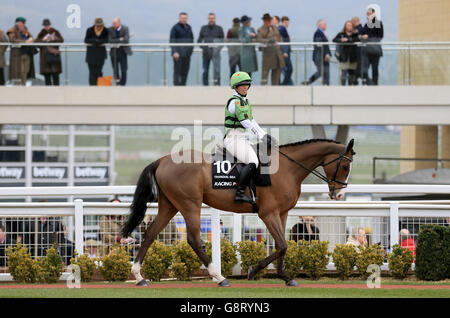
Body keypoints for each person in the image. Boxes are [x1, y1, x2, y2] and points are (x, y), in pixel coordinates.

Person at [223, 72, 271, 203]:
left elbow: (252, 121)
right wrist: (261, 136)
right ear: (235, 87)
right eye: (241, 85)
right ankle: (239, 193)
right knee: (253, 162)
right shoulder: (235, 102)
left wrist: (264, 134)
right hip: (233, 138)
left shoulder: (245, 102)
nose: (245, 87)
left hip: (242, 139)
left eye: (247, 85)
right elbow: (245, 122)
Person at [257, 13, 285, 85]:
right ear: (264, 21)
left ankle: (275, 90)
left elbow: (280, 37)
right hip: (268, 54)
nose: (268, 21)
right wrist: (269, 41)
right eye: (266, 20)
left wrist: (279, 45)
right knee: (265, 75)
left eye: (269, 20)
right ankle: (263, 90)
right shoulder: (261, 29)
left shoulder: (274, 28)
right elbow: (259, 39)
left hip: (277, 54)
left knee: (276, 75)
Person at [7, 17, 35, 85]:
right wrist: (25, 42)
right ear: (18, 23)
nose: (24, 24)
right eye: (23, 23)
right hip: (17, 55)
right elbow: (12, 40)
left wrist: (30, 39)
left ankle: (23, 84)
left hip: (27, 54)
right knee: (19, 71)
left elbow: (31, 37)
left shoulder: (25, 30)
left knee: (26, 70)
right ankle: (18, 85)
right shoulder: (12, 30)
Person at [198, 13, 224, 86]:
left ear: (215, 19)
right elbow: (199, 40)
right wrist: (204, 47)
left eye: (213, 18)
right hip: (206, 53)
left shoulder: (219, 28)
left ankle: (218, 85)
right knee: (205, 71)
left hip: (216, 54)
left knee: (217, 71)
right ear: (208, 19)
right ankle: (205, 86)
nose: (211, 20)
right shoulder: (203, 28)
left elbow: (222, 41)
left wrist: (217, 49)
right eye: (210, 18)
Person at [302, 19, 330, 85]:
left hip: (322, 56)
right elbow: (319, 45)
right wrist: (326, 54)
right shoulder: (318, 33)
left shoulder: (321, 33)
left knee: (325, 72)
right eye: (324, 24)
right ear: (319, 25)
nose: (326, 25)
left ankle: (326, 85)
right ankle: (308, 81)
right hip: (319, 56)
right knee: (322, 72)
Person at [36, 19, 64, 86]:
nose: (46, 27)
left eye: (47, 25)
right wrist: (43, 40)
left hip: (54, 55)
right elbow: (37, 43)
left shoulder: (55, 31)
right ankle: (48, 92)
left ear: (50, 25)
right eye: (45, 25)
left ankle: (57, 91)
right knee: (47, 76)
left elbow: (61, 40)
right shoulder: (41, 33)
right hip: (44, 56)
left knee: (55, 75)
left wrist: (55, 38)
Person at [361, 6, 384, 85]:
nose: (369, 15)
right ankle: (368, 82)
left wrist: (368, 36)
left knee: (375, 67)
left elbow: (380, 35)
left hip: (375, 49)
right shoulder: (366, 24)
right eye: (368, 14)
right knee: (365, 68)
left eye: (370, 13)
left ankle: (375, 82)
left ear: (374, 13)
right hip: (366, 50)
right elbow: (363, 33)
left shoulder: (378, 23)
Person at [170, 12, 194, 86]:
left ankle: (183, 86)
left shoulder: (189, 27)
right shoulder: (175, 28)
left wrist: (190, 51)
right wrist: (174, 52)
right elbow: (172, 40)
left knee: (185, 71)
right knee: (177, 72)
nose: (184, 19)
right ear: (179, 18)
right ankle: (176, 87)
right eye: (182, 18)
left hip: (187, 54)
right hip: (178, 54)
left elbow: (191, 40)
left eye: (185, 18)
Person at [333, 20, 359, 85]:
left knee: (351, 74)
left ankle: (350, 88)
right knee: (343, 73)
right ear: (345, 26)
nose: (349, 27)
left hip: (353, 56)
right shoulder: (341, 34)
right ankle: (343, 87)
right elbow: (334, 39)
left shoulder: (355, 35)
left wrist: (348, 40)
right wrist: (341, 40)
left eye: (350, 25)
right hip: (344, 56)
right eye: (347, 25)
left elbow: (357, 39)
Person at [84, 17, 109, 86]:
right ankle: (92, 86)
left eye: (100, 25)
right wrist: (96, 41)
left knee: (98, 71)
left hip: (101, 55)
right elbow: (86, 40)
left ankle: (99, 86)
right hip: (91, 55)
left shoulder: (106, 30)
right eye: (98, 25)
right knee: (91, 71)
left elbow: (107, 40)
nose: (99, 27)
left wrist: (96, 41)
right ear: (95, 25)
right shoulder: (89, 30)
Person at [108, 17, 132, 86]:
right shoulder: (110, 29)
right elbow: (110, 40)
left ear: (119, 23)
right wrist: (120, 39)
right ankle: (117, 83)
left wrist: (116, 40)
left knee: (124, 69)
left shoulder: (125, 28)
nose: (113, 25)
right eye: (113, 23)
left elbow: (126, 40)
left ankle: (122, 84)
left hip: (123, 52)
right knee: (115, 70)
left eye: (115, 23)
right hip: (113, 52)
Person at [278, 16, 293, 85]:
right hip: (284, 53)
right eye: (286, 22)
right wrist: (284, 52)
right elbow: (282, 41)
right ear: (283, 22)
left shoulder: (283, 29)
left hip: (285, 52)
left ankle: (283, 83)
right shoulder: (282, 29)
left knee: (283, 69)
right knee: (289, 69)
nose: (288, 24)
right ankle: (284, 83)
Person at [351, 16, 364, 82]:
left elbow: (357, 38)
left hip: (359, 51)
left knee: (358, 67)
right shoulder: (360, 29)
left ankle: (356, 81)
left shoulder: (360, 29)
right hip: (358, 51)